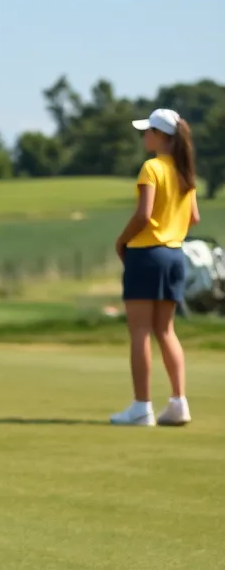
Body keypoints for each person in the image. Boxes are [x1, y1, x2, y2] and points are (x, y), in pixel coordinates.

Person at [110, 108, 199, 427]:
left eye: (148, 130)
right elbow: (194, 217)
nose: (144, 135)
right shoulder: (185, 171)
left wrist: (121, 241)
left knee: (140, 332)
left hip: (146, 255)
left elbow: (144, 215)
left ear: (161, 136)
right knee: (165, 330)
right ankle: (178, 403)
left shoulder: (152, 168)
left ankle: (141, 407)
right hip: (175, 256)